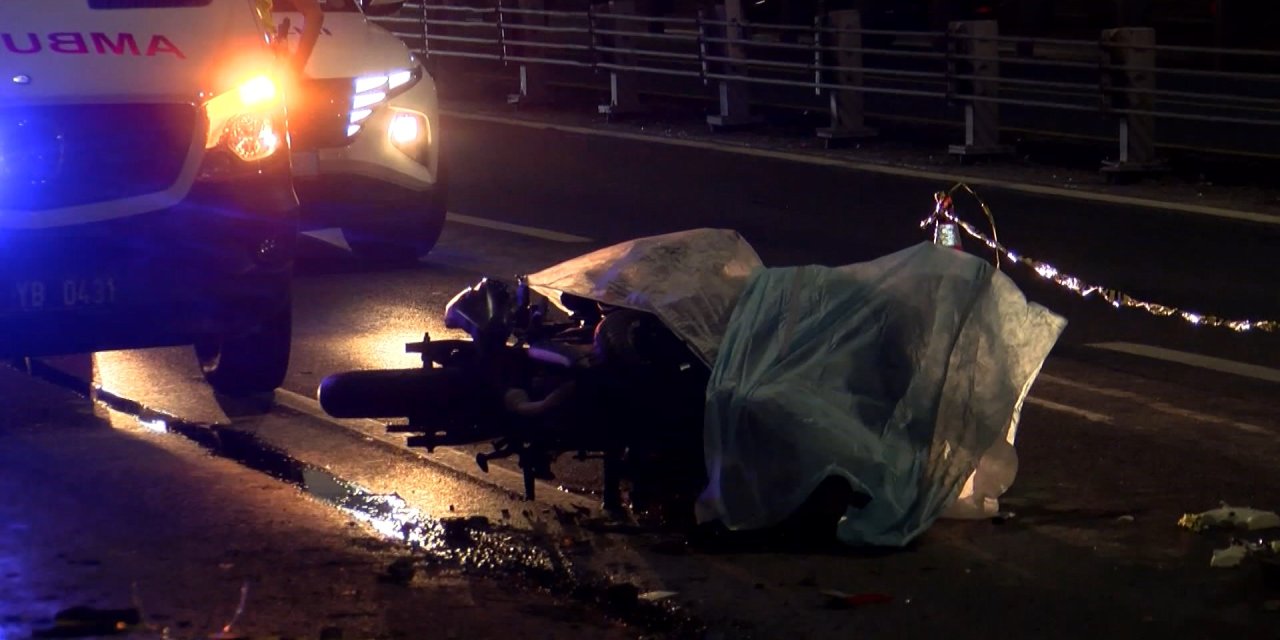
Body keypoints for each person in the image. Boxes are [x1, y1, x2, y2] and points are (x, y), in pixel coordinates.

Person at [253, 0, 326, 75]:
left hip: (255, 63)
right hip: (263, 65)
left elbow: (315, 14)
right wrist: (297, 67)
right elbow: (314, 13)